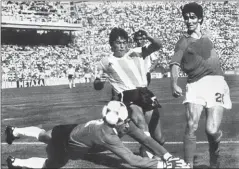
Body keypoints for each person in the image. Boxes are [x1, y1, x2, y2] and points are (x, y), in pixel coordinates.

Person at [5, 101, 189, 169]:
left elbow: (146, 139)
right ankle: (16, 162)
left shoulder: (120, 122)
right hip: (68, 145)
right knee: (50, 164)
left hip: (71, 130)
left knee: (44, 135)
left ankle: (14, 132)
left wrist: (168, 156)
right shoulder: (107, 135)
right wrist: (164, 165)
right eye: (125, 122)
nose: (128, 125)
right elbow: (132, 160)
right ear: (117, 122)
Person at [170, 2, 232, 168]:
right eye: (186, 18)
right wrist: (174, 83)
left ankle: (215, 151)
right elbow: (175, 64)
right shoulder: (183, 42)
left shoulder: (209, 36)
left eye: (192, 17)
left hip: (216, 83)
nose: (189, 20)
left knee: (212, 130)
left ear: (200, 19)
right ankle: (188, 164)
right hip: (195, 84)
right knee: (192, 124)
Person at [93, 28, 165, 156]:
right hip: (126, 95)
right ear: (111, 44)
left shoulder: (137, 52)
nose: (121, 45)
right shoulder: (105, 62)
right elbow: (97, 85)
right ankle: (150, 160)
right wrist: (100, 82)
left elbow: (158, 45)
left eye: (124, 42)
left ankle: (145, 150)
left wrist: (149, 36)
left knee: (159, 138)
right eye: (118, 42)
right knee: (141, 123)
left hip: (145, 93)